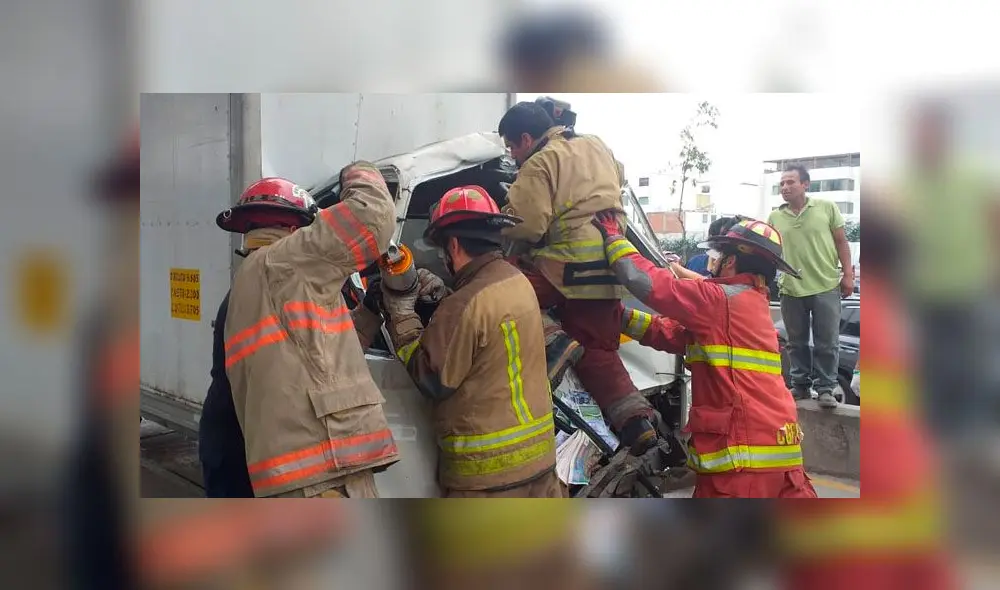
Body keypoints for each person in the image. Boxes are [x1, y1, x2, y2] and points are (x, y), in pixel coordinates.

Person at [592, 211, 817, 498]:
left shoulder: (719, 300)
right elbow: (672, 334)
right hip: (777, 454)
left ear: (731, 260)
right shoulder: (750, 304)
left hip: (742, 462)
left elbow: (650, 283)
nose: (713, 262)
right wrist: (619, 317)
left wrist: (613, 236)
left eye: (717, 255)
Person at [217, 164, 400, 498]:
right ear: (295, 227)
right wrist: (360, 174)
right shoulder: (286, 262)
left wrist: (370, 313)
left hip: (289, 473)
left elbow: (315, 352)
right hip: (323, 470)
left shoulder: (247, 285)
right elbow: (372, 215)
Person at [497, 101, 660, 456]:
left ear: (526, 138)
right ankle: (637, 423)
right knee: (599, 352)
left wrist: (500, 220)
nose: (512, 154)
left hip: (565, 267)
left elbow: (527, 224)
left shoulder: (539, 162)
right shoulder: (597, 144)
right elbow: (620, 177)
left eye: (511, 146)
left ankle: (557, 344)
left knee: (501, 299)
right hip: (611, 265)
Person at [381, 185, 562, 498]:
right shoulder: (514, 281)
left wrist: (402, 315)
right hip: (540, 469)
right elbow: (487, 337)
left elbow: (432, 378)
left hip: (489, 482)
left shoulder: (464, 304)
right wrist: (446, 301)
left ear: (452, 245)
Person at [767, 165, 854, 408]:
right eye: (782, 184)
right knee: (796, 341)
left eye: (791, 182)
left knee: (827, 340)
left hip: (825, 284)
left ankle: (825, 387)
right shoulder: (775, 217)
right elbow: (770, 253)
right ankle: (800, 385)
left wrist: (848, 274)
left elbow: (841, 242)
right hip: (790, 288)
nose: (785, 187)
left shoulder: (827, 208)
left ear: (805, 184)